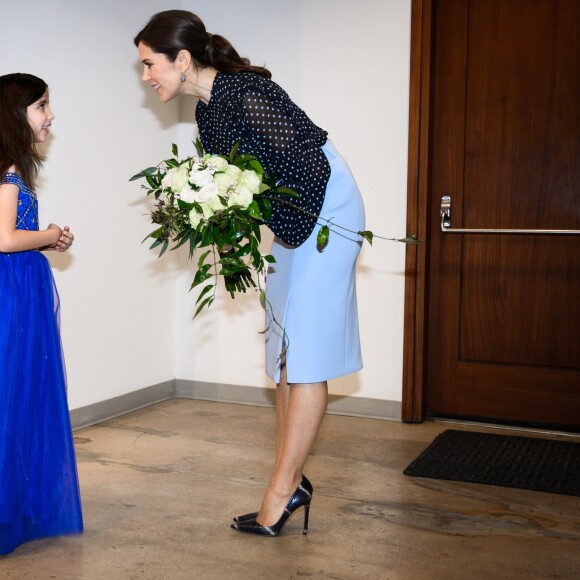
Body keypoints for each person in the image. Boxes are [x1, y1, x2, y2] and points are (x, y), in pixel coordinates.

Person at [134, 10, 366, 537]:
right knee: (284, 345)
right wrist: (258, 244)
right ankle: (293, 482)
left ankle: (280, 494)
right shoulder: (207, 112)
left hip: (325, 210)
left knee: (305, 351)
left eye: (150, 64)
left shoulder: (244, 94)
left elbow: (308, 166)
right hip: (291, 217)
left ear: (182, 59)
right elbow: (250, 186)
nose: (146, 76)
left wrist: (296, 242)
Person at [0, 73, 83, 555]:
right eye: (42, 106)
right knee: (13, 392)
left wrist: (49, 238)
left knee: (18, 393)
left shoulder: (12, 170)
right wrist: (49, 234)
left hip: (21, 288)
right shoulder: (9, 170)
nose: (49, 115)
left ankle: (14, 500)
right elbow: (6, 239)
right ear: (16, 115)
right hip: (13, 294)